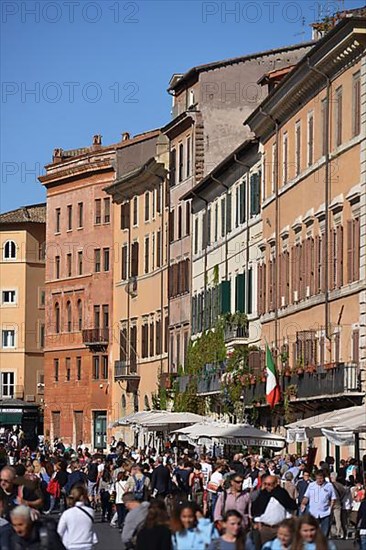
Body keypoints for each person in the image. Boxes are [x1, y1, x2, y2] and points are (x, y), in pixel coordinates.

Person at [251, 475, 297, 546]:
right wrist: (258, 523)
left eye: (269, 484)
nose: (266, 486)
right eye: (265, 484)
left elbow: (289, 507)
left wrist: (288, 523)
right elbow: (257, 510)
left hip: (280, 528)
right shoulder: (262, 495)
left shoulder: (282, 493)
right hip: (265, 529)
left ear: (275, 484)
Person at [57, 485, 97, 550]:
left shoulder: (67, 513)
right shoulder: (90, 512)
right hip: (87, 544)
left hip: (71, 545)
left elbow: (59, 532)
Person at [301, 471, 336, 536]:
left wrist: (331, 508)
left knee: (324, 534)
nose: (319, 480)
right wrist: (303, 504)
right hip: (313, 513)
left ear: (324, 478)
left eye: (321, 478)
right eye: (317, 478)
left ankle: (322, 545)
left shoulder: (329, 486)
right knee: (313, 533)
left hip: (325, 513)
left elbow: (333, 498)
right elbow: (306, 496)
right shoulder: (311, 485)